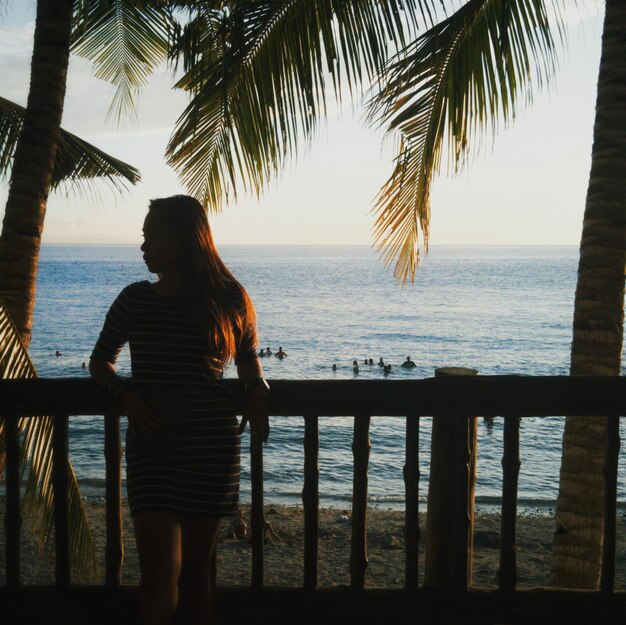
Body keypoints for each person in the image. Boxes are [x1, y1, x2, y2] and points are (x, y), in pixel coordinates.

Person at [89, 195, 269, 625]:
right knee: (157, 577)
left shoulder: (230, 297)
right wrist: (125, 396)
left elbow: (248, 360)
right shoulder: (134, 300)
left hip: (210, 446)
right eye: (144, 236)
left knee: (194, 579)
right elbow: (100, 360)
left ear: (185, 240)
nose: (144, 246)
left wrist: (259, 385)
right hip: (153, 443)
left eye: (154, 236)